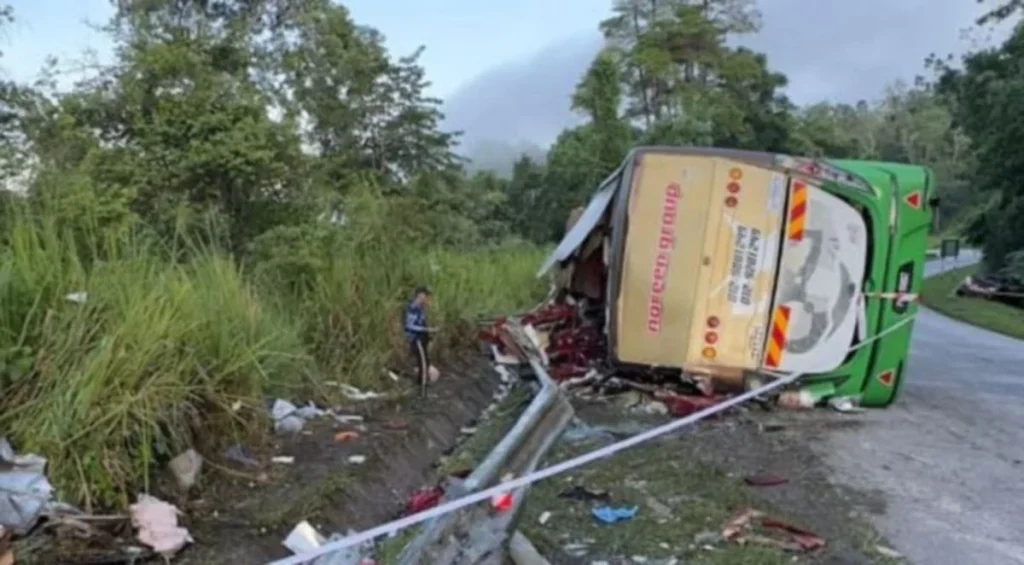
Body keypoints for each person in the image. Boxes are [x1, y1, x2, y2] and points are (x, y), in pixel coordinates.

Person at [404, 286, 436, 395]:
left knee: (425, 361)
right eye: (426, 297)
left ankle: (422, 385)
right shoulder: (413, 308)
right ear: (420, 296)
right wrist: (426, 329)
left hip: (421, 339)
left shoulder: (420, 309)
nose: (428, 300)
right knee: (423, 363)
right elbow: (409, 325)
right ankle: (422, 389)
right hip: (416, 339)